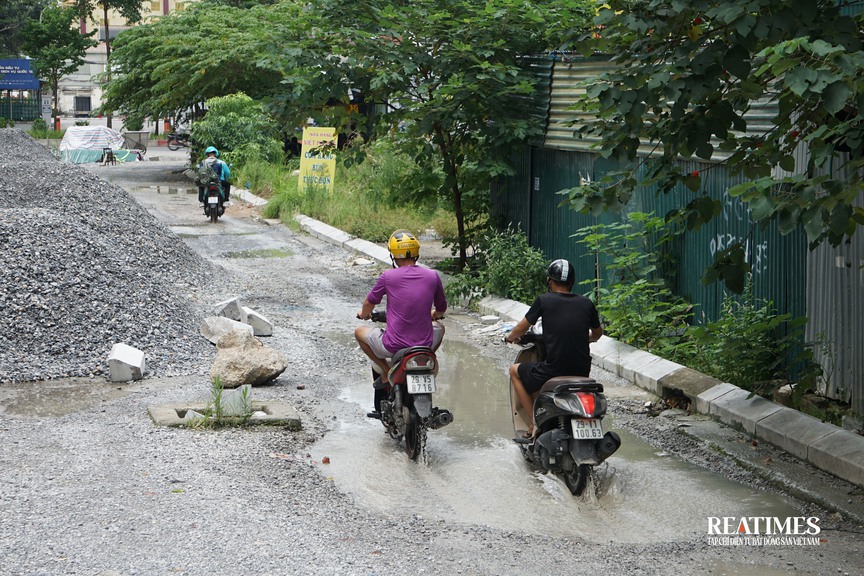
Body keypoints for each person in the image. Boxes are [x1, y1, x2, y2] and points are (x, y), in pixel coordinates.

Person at [505, 258, 603, 437]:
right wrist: (584, 338)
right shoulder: (586, 303)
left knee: (514, 371)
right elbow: (597, 334)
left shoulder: (544, 300)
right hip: (582, 371)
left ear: (549, 281)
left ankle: (533, 423)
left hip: (554, 370)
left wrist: (510, 337)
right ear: (572, 282)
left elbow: (522, 327)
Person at [355, 229, 448, 417]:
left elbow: (369, 303)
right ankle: (427, 359)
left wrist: (364, 314)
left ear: (393, 255)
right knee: (441, 328)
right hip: (424, 344)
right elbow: (441, 308)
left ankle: (388, 372)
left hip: (393, 345)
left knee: (359, 332)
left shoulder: (388, 276)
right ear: (416, 253)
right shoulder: (432, 276)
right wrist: (434, 314)